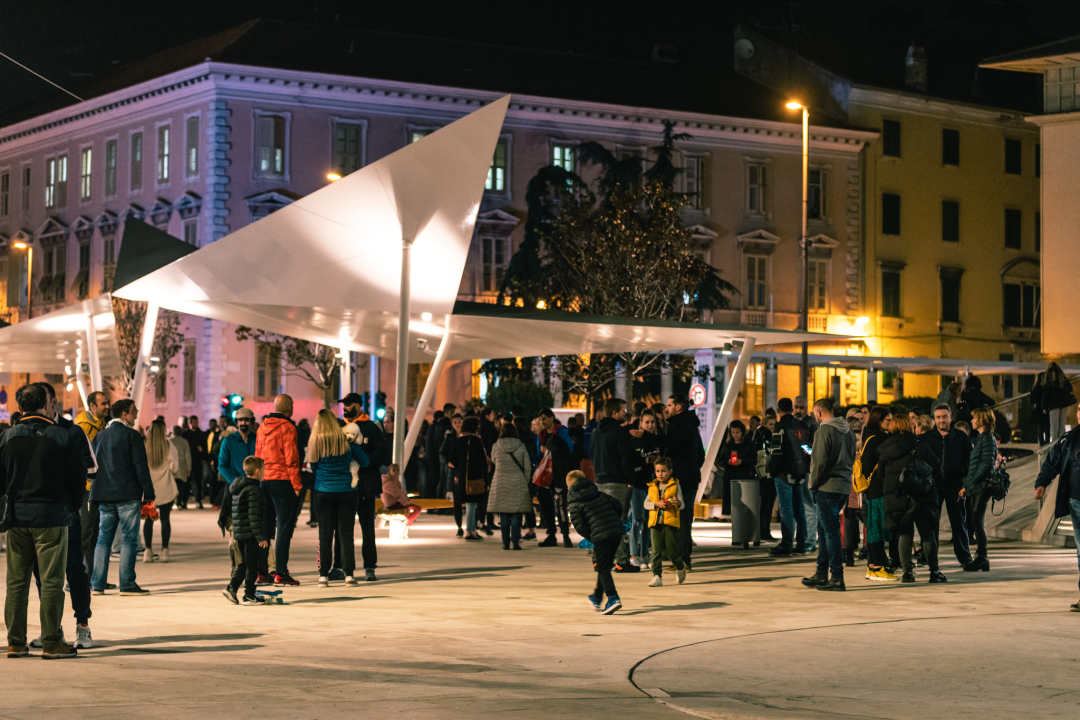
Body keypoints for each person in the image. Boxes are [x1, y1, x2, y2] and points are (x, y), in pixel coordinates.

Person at [2, 384, 87, 659]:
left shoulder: (6, 438)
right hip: (51, 516)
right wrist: (72, 507)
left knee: (16, 582)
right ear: (46, 403)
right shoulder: (63, 437)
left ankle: (15, 642)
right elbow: (78, 478)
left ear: (20, 406)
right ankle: (51, 641)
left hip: (16, 517)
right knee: (51, 582)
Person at [28, 382, 97, 650]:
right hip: (39, 515)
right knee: (42, 574)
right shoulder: (27, 431)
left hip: (67, 512)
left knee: (74, 569)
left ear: (51, 403)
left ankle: (83, 625)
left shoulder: (72, 431)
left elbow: (92, 467)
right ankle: (52, 630)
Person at [90, 399, 154, 596]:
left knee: (103, 539)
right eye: (134, 412)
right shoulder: (132, 436)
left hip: (104, 494)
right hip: (127, 494)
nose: (136, 415)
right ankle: (127, 584)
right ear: (124, 415)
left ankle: (97, 584)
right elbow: (140, 466)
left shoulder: (100, 436)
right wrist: (148, 493)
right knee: (129, 539)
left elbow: (92, 465)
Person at [877, 414, 946, 584]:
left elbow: (880, 476)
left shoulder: (885, 449)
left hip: (898, 497)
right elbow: (936, 469)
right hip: (921, 497)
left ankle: (907, 573)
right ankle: (934, 572)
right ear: (910, 426)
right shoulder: (920, 445)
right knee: (927, 534)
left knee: (905, 533)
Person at [307, 409, 369, 586]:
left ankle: (323, 576)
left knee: (324, 534)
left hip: (323, 491)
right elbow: (364, 461)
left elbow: (313, 466)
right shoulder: (346, 441)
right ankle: (348, 574)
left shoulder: (315, 442)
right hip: (347, 492)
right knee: (346, 534)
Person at [801, 398, 855, 592]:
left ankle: (837, 577)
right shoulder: (847, 430)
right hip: (843, 486)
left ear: (818, 412)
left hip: (826, 487)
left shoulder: (824, 430)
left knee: (830, 532)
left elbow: (819, 462)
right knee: (824, 531)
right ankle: (822, 573)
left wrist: (812, 484)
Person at [1034, 404, 1080, 611]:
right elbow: (1051, 461)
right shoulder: (1069, 439)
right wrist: (1042, 483)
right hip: (1076, 501)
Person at [255, 394, 302, 586]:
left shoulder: (261, 427)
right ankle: (281, 572)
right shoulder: (288, 428)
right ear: (290, 407)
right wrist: (297, 485)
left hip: (264, 480)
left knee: (265, 528)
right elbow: (292, 458)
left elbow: (257, 455)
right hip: (282, 480)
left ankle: (262, 573)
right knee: (283, 527)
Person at [341, 393, 388, 580]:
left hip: (367, 485)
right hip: (344, 485)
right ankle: (343, 567)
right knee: (343, 529)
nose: (345, 407)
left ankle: (370, 566)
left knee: (367, 527)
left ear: (359, 406)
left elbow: (382, 454)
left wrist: (364, 460)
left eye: (349, 404)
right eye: (344, 404)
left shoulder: (372, 428)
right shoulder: (340, 426)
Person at [567, 469, 624, 615]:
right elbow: (618, 506)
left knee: (602, 568)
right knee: (605, 564)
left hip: (601, 536)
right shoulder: (597, 492)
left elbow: (580, 526)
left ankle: (613, 597)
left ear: (570, 485)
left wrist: (593, 536)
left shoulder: (574, 501)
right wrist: (613, 522)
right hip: (616, 531)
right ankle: (597, 597)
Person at [590, 398, 638, 572]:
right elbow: (626, 458)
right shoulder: (620, 432)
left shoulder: (596, 432)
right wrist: (631, 480)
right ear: (615, 413)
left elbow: (592, 455)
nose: (626, 412)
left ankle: (598, 559)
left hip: (600, 481)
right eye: (623, 410)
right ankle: (622, 561)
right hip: (618, 483)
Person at [923, 404, 973, 567]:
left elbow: (968, 463)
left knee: (959, 524)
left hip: (955, 487)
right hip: (933, 488)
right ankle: (930, 559)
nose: (941, 420)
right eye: (938, 417)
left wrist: (965, 484)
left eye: (944, 417)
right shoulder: (927, 438)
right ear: (934, 419)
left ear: (951, 417)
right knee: (931, 524)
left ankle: (965, 558)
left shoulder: (961, 437)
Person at [664, 393, 705, 568]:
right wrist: (693, 467)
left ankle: (682, 559)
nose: (667, 408)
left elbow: (668, 443)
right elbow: (700, 455)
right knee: (685, 518)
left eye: (670, 405)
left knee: (680, 518)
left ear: (678, 407)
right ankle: (683, 558)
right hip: (690, 477)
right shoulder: (691, 425)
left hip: (681, 479)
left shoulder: (679, 424)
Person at [222, 456, 269, 606]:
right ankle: (249, 595)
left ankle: (232, 588)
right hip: (250, 534)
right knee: (252, 566)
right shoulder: (254, 490)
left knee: (243, 564)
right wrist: (260, 536)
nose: (264, 472)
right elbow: (253, 516)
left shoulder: (239, 487)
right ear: (257, 471)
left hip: (240, 532)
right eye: (263, 469)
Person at [769, 398, 811, 557]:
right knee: (799, 508)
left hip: (784, 473)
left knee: (786, 509)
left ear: (778, 410)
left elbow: (776, 451)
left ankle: (786, 544)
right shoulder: (803, 426)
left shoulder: (780, 427)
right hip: (800, 472)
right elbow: (808, 449)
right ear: (791, 409)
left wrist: (772, 470)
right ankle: (801, 543)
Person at [958, 407, 999, 573]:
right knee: (975, 521)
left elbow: (985, 465)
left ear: (981, 420)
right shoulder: (982, 438)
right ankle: (982, 558)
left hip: (981, 486)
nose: (972, 421)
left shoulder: (988, 439)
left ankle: (982, 557)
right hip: (976, 486)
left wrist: (968, 485)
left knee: (976, 521)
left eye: (974, 418)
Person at [74, 391, 109, 580]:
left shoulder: (100, 425)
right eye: (103, 403)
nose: (107, 406)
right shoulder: (83, 427)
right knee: (85, 534)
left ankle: (90, 577)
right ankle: (76, 578)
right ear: (92, 406)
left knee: (94, 534)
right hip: (87, 488)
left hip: (96, 487)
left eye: (107, 403)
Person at [859, 406, 894, 580]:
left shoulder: (869, 437)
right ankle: (878, 567)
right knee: (877, 529)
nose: (891, 422)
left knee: (873, 529)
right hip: (879, 490)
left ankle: (873, 567)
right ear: (878, 421)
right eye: (888, 420)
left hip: (871, 490)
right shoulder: (879, 439)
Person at [644, 456, 688, 587]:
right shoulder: (652, 487)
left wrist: (677, 502)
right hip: (655, 523)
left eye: (663, 471)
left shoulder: (675, 486)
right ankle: (657, 576)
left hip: (670, 523)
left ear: (670, 471)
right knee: (656, 551)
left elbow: (683, 504)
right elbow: (646, 504)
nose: (660, 474)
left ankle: (680, 566)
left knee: (671, 552)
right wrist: (656, 504)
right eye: (657, 471)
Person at [488, 422, 533, 550]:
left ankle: (505, 543)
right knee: (516, 514)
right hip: (518, 481)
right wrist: (524, 480)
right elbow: (527, 466)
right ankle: (516, 542)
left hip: (500, 481)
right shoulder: (521, 446)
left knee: (504, 514)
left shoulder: (496, 446)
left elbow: (493, 460)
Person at [536, 408, 574, 547]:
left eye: (544, 418)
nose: (542, 421)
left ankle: (565, 535)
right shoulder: (541, 435)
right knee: (546, 506)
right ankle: (551, 534)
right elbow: (537, 455)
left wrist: (550, 449)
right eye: (541, 419)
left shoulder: (561, 432)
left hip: (558, 475)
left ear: (552, 418)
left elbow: (568, 450)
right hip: (544, 477)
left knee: (560, 506)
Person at [142, 420, 178, 564]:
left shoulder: (145, 446)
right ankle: (165, 551)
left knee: (148, 522)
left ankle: (148, 551)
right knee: (165, 520)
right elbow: (174, 468)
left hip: (150, 490)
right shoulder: (169, 446)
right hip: (166, 489)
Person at [628, 411, 661, 568]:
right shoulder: (633, 442)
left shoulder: (655, 442)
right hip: (638, 486)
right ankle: (633, 554)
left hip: (652, 487)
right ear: (640, 424)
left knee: (649, 521)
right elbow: (629, 465)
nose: (650, 425)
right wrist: (644, 460)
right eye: (647, 422)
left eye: (652, 422)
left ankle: (644, 554)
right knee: (637, 520)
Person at [453, 416, 490, 540]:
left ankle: (472, 530)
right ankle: (470, 531)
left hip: (463, 475)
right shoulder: (474, 440)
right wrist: (485, 470)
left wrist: (461, 466)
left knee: (470, 504)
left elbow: (452, 459)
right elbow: (479, 459)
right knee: (471, 504)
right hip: (474, 475)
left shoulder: (459, 439)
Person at [752, 414, 778, 542]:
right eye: (770, 424)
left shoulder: (760, 435)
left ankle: (764, 530)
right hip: (767, 473)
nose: (772, 427)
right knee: (767, 504)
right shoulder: (765, 436)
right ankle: (764, 531)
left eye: (774, 424)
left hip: (766, 473)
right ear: (765, 424)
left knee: (767, 504)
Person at [514, 416, 539, 540]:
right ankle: (531, 530)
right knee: (528, 503)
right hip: (531, 473)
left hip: (518, 473)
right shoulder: (534, 438)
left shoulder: (516, 440)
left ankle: (516, 531)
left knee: (517, 504)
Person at [1039, 362, 1077, 444]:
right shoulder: (1062, 377)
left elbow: (1046, 393)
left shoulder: (1048, 377)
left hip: (1053, 405)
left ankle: (1054, 445)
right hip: (1064, 403)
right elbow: (1070, 388)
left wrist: (1044, 407)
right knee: (1062, 425)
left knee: (1054, 426)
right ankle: (1062, 444)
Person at [381, 464, 422, 537]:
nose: (396, 472)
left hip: (395, 503)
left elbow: (400, 494)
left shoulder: (394, 481)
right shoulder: (390, 482)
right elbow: (398, 495)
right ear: (389, 471)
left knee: (411, 510)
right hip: (392, 504)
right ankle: (406, 526)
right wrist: (407, 503)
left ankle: (406, 525)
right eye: (394, 470)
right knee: (417, 509)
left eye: (397, 470)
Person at [427, 404, 455, 499]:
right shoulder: (447, 425)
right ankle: (443, 502)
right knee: (446, 479)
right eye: (452, 412)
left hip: (439, 454)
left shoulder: (438, 425)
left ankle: (439, 503)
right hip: (446, 454)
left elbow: (434, 441)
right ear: (449, 412)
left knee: (441, 479)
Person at [183, 415, 209, 509]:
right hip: (188, 461)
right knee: (187, 482)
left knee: (198, 482)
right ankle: (184, 501)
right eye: (194, 422)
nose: (196, 424)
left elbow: (205, 449)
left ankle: (198, 500)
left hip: (197, 461)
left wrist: (202, 451)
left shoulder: (201, 434)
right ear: (190, 423)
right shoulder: (186, 435)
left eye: (196, 422)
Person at [168, 425, 192, 517]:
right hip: (182, 466)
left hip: (173, 466)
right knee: (181, 486)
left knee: (172, 485)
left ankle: (171, 503)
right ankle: (180, 503)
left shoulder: (170, 441)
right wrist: (188, 468)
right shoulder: (184, 442)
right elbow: (188, 456)